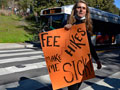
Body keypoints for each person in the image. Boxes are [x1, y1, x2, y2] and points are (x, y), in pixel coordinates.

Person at [64, 0, 102, 90]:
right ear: (75, 10)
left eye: (83, 8)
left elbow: (90, 45)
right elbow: (60, 42)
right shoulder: (67, 23)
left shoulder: (87, 25)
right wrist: (65, 30)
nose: (81, 10)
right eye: (79, 7)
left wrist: (97, 59)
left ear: (86, 11)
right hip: (70, 64)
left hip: (82, 64)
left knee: (76, 87)